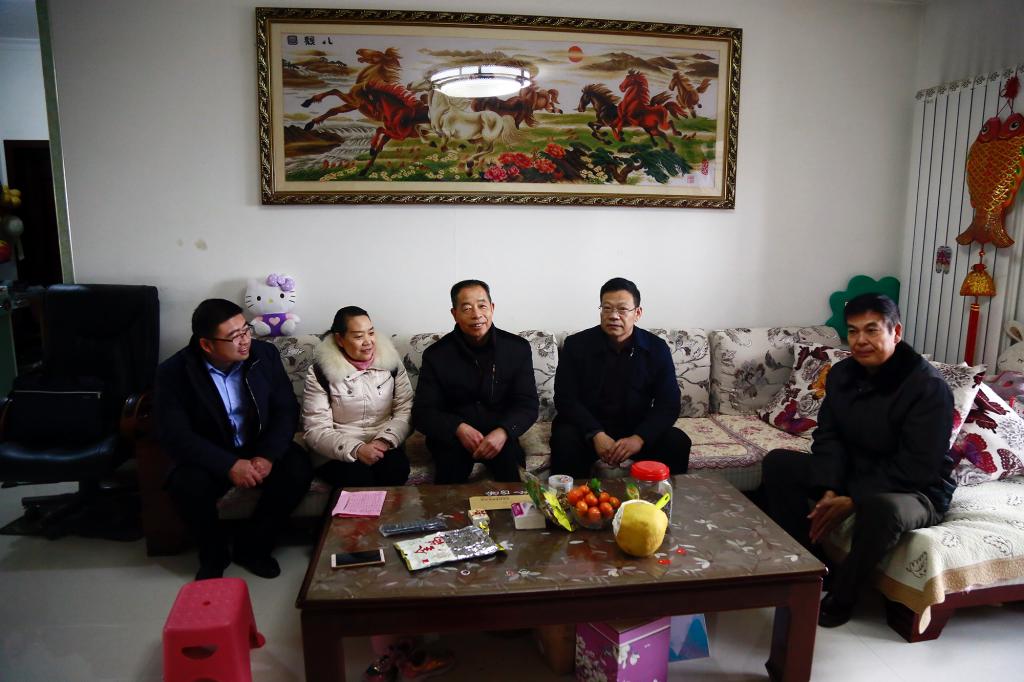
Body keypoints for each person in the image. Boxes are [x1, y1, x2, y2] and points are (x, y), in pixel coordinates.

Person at [761, 293, 955, 627]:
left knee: (882, 508)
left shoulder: (927, 387)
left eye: (871, 330)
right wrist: (829, 487)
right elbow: (829, 435)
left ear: (896, 332)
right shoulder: (842, 374)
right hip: (857, 472)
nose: (860, 340)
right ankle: (811, 565)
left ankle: (844, 594)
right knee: (779, 463)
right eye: (853, 331)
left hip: (915, 488)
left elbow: (917, 466)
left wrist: (854, 498)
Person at [156, 299, 313, 581]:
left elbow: (286, 409)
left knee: (297, 467)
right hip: (210, 451)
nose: (245, 341)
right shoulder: (174, 373)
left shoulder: (264, 355)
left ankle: (254, 547)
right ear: (207, 345)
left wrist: (267, 455)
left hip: (257, 443)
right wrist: (228, 464)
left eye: (246, 330)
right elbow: (175, 435)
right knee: (186, 484)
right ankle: (213, 555)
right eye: (234, 336)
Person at [550, 277, 691, 479]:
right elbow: (565, 399)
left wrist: (639, 438)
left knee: (677, 441)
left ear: (637, 313)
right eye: (607, 308)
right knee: (564, 438)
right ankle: (573, 498)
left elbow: (668, 403)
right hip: (587, 429)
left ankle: (658, 498)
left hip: (635, 429)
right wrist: (596, 434)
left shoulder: (656, 348)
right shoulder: (577, 345)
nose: (613, 316)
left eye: (622, 309)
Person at [412, 279, 539, 484]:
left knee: (513, 476)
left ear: (492, 308)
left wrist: (504, 431)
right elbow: (423, 412)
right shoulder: (436, 355)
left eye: (482, 306)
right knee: (450, 479)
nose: (477, 314)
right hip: (452, 437)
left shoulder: (517, 348)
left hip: (500, 433)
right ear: (454, 313)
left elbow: (528, 404)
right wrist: (458, 428)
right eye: (467, 308)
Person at [302, 306, 412, 489]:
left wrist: (384, 441)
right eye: (359, 336)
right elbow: (316, 428)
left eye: (371, 333)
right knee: (358, 479)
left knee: (395, 470)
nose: (368, 342)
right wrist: (356, 449)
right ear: (340, 339)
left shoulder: (391, 363)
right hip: (337, 450)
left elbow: (405, 410)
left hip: (384, 442)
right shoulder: (320, 372)